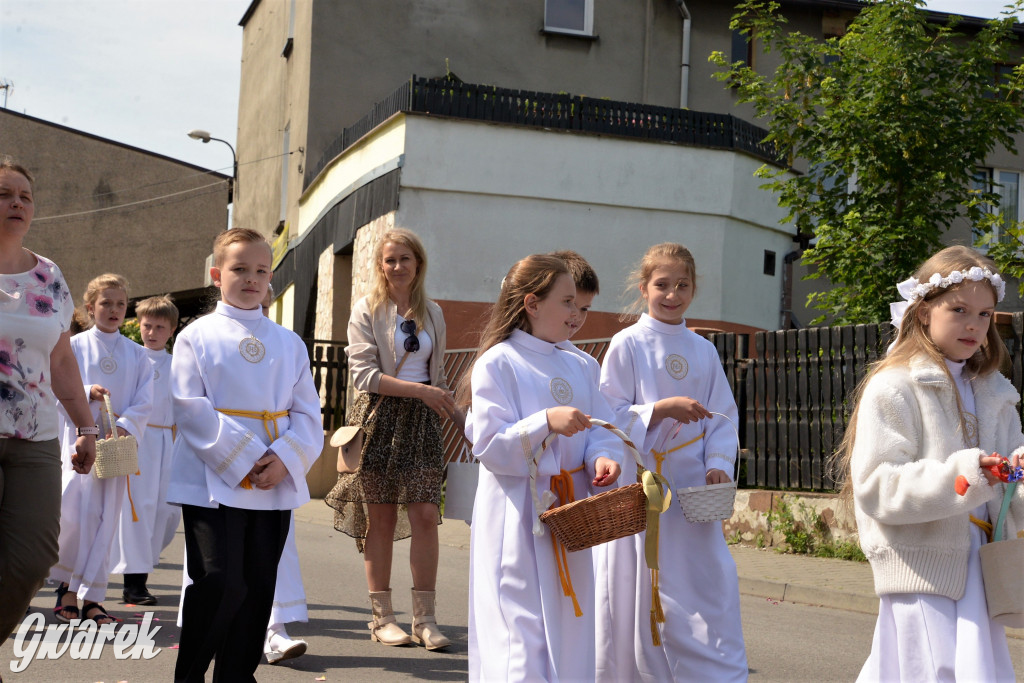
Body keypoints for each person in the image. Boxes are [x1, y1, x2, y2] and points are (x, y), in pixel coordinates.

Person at [838, 245, 1024, 682]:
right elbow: (877, 486)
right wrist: (970, 474)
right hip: (922, 568)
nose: (974, 325)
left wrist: (1015, 471)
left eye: (984, 314)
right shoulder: (895, 385)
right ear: (923, 312)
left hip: (982, 568)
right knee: (928, 672)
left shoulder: (996, 393)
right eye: (959, 309)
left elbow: (1009, 484)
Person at [167, 228, 322, 682]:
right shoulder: (196, 336)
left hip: (272, 480)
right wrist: (246, 458)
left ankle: (236, 676)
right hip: (212, 480)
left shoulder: (289, 342)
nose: (251, 279)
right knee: (220, 583)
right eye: (239, 269)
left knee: (257, 588)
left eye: (261, 270)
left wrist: (284, 458)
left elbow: (307, 413)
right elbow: (189, 407)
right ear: (217, 274)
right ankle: (189, 675)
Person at [463, 253, 623, 681]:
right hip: (517, 516)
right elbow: (490, 445)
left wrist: (603, 457)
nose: (577, 314)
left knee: (570, 622)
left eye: (579, 304)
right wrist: (545, 422)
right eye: (568, 302)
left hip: (569, 515)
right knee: (520, 629)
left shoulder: (582, 365)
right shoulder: (499, 362)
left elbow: (603, 427)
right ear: (532, 304)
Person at [596, 242, 747, 682]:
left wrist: (718, 461)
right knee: (641, 582)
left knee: (706, 581)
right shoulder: (627, 343)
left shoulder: (703, 350)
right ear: (644, 288)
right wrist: (660, 409)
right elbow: (608, 413)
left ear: (694, 289)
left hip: (692, 488)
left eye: (682, 285)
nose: (672, 294)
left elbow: (723, 415)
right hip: (644, 484)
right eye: (662, 285)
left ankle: (707, 668)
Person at [326, 227, 455, 650]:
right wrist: (421, 391)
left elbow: (436, 373)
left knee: (424, 516)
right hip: (380, 420)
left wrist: (447, 405)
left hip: (423, 423)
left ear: (418, 263)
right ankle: (382, 619)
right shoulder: (367, 308)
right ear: (381, 266)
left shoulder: (433, 311)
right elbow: (364, 375)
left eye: (405, 258)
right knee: (379, 518)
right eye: (389, 260)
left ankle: (426, 620)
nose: (397, 266)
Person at [0, 157, 96, 642]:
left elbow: (61, 362)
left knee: (34, 557)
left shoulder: (49, 275)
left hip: (34, 439)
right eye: (4, 194)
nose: (16, 202)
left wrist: (86, 428)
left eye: (25, 196)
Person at [51, 273, 154, 626]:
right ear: (90, 307)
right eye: (105, 303)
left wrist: (124, 426)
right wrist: (84, 392)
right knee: (74, 514)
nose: (113, 310)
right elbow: (56, 386)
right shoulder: (74, 346)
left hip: (115, 448)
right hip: (80, 442)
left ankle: (94, 597)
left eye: (120, 304)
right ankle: (66, 589)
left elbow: (145, 400)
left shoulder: (138, 354)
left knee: (108, 519)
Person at [109, 294, 180, 605]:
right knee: (137, 510)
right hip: (136, 440)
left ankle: (143, 566)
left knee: (166, 511)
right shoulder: (131, 357)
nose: (152, 333)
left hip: (168, 441)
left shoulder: (178, 364)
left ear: (172, 331)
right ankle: (134, 583)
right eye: (147, 326)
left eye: (159, 327)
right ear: (138, 326)